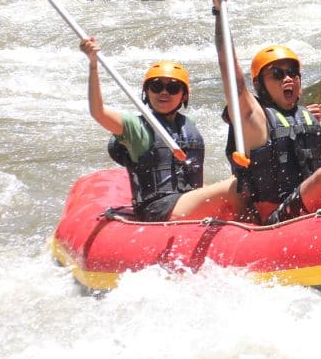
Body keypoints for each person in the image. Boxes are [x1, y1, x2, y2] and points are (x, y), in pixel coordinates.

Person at [210, 0, 321, 225]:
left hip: (311, 199)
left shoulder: (301, 114)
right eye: (277, 74)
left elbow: (316, 145)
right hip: (279, 216)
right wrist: (220, 12)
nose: (287, 79)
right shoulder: (255, 120)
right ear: (259, 84)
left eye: (292, 73)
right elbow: (232, 78)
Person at [80, 36, 241, 222]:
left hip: (184, 201)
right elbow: (98, 112)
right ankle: (249, 229)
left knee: (243, 184)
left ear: (183, 96)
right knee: (235, 185)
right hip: (158, 208)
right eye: (156, 86)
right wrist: (93, 65)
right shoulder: (135, 127)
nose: (164, 92)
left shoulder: (189, 126)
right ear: (147, 92)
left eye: (173, 88)